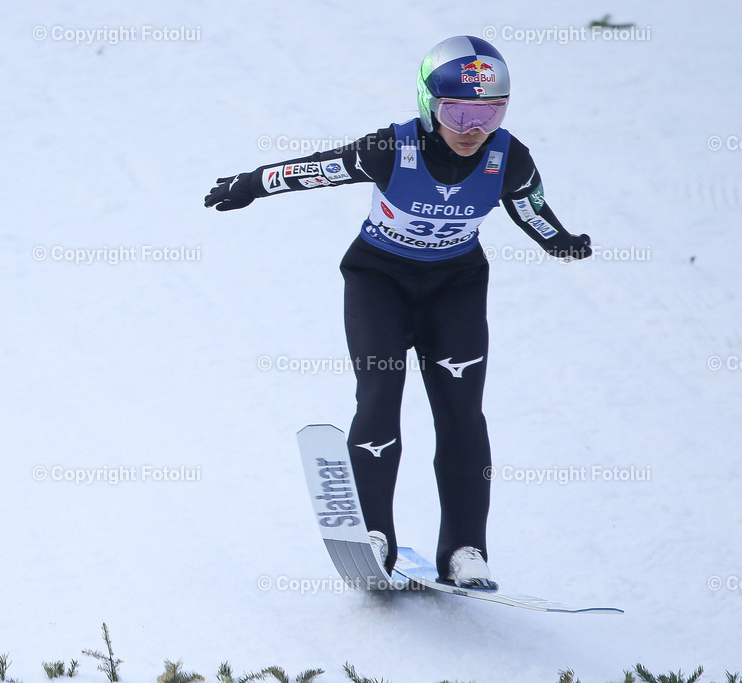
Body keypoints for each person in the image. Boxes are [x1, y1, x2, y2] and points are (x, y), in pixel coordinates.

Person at [204, 36, 591, 589]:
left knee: (462, 414)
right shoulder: (391, 149)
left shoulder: (509, 157)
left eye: (489, 111)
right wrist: (251, 184)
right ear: (429, 106)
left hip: (455, 287)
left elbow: (532, 208)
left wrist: (561, 242)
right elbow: (317, 169)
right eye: (457, 111)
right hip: (378, 282)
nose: (472, 127)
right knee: (380, 398)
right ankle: (374, 535)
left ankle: (465, 549)